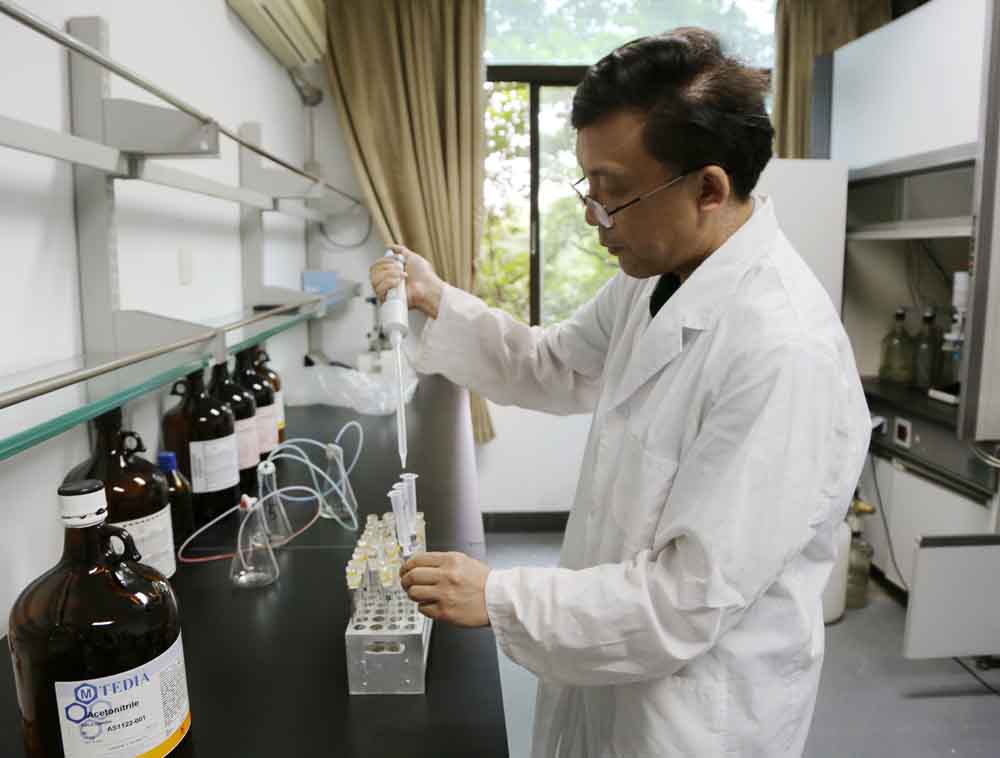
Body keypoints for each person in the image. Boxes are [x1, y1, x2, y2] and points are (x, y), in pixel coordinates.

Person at [371, 27, 870, 758]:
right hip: (614, 671)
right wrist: (436, 298)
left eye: (613, 193)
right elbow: (557, 364)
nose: (593, 216)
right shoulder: (656, 276)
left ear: (708, 189)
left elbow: (686, 599)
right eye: (590, 188)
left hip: (695, 717)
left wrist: (500, 596)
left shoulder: (783, 353)